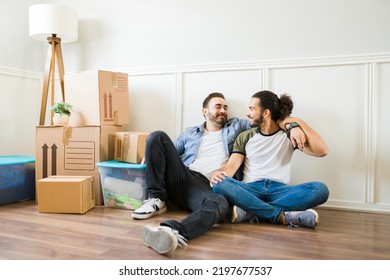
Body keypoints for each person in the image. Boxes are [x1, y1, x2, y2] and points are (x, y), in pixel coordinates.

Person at [132, 92, 251, 255]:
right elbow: (169, 151)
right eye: (218, 107)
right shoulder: (190, 133)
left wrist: (292, 125)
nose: (223, 110)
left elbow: (266, 122)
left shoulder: (237, 126)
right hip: (183, 175)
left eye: (225, 107)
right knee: (157, 136)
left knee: (220, 203)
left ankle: (173, 232)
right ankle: (156, 199)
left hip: (205, 187)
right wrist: (152, 152)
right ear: (205, 111)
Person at [210, 90, 329, 229]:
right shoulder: (245, 136)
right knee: (219, 184)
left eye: (252, 109)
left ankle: (252, 212)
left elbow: (322, 151)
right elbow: (231, 168)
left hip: (280, 191)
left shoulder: (289, 135)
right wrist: (220, 174)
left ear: (265, 113)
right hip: (250, 190)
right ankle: (283, 217)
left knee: (321, 189)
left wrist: (298, 122)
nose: (247, 113)